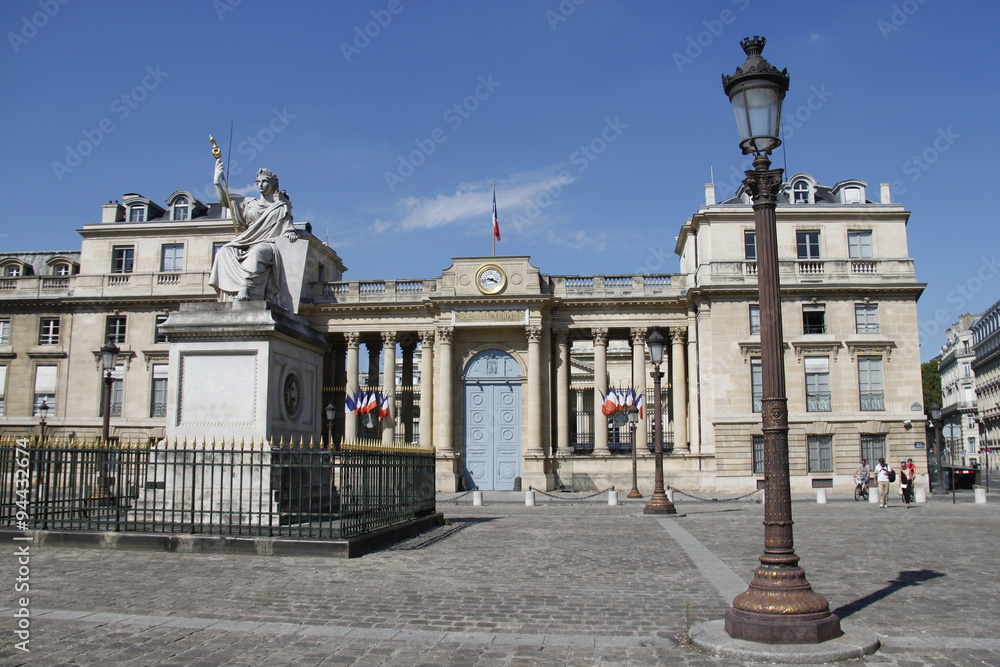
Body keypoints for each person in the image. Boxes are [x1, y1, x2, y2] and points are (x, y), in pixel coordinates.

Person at [208, 161, 297, 305]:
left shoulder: (280, 208)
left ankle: (245, 289)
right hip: (247, 241)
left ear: (273, 184)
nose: (261, 185)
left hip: (267, 244)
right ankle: (229, 294)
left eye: (264, 182)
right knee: (224, 251)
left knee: (257, 253)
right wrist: (217, 182)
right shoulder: (248, 203)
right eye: (258, 182)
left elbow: (288, 227)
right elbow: (226, 202)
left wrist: (291, 234)